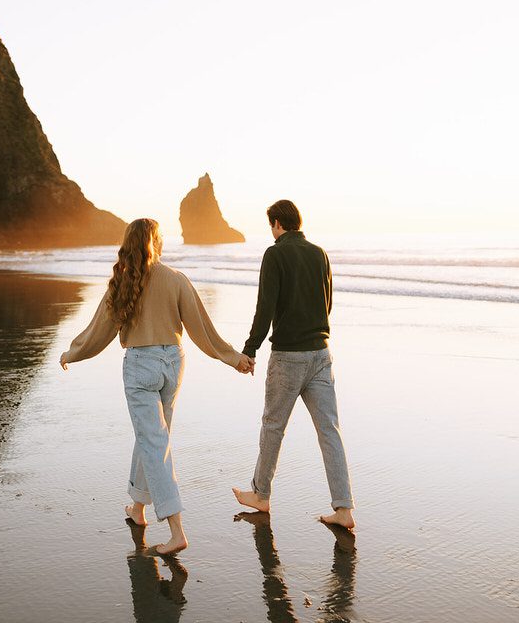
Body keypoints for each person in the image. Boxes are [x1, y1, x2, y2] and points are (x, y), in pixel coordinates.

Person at [60, 217, 253, 554]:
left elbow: (99, 330)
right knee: (152, 437)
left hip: (140, 366)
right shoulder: (176, 279)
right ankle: (138, 508)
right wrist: (232, 357)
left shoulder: (122, 281)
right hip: (173, 364)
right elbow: (200, 328)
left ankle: (177, 530)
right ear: (156, 243)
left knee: (154, 441)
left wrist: (73, 353)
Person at [232, 200, 355, 530]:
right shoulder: (320, 253)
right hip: (321, 353)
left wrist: (249, 350)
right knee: (330, 431)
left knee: (273, 426)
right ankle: (343, 509)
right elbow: (327, 303)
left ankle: (260, 494)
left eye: (270, 225)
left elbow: (265, 307)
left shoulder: (275, 254)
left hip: (288, 356)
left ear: (276, 223)